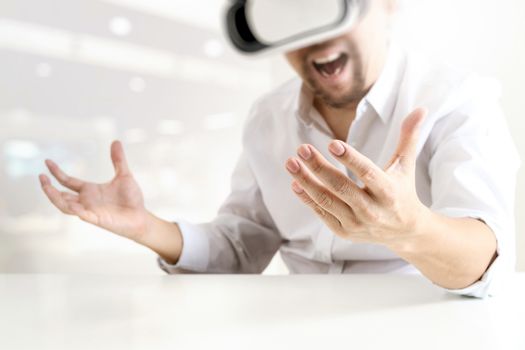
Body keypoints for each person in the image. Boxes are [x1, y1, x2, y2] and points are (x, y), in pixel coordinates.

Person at [39, 0, 519, 298]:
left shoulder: (456, 101)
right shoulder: (267, 119)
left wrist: (410, 229)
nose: (313, 38)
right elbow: (240, 246)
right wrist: (148, 227)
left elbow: (486, 263)